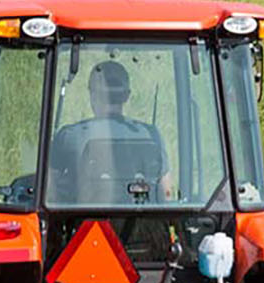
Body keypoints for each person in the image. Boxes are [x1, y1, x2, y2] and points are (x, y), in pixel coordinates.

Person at [48, 58, 173, 201]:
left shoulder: (68, 136)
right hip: (140, 223)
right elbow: (165, 192)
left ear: (93, 95)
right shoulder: (151, 135)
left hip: (82, 222)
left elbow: (49, 190)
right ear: (126, 96)